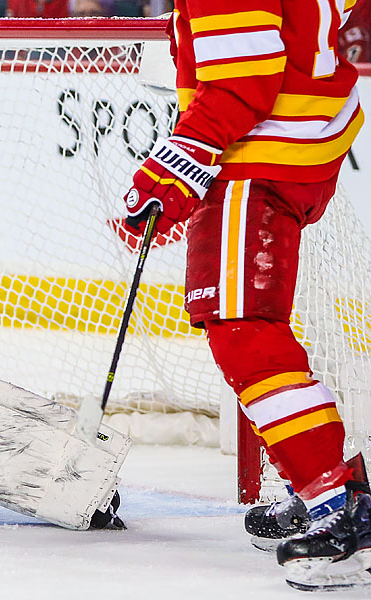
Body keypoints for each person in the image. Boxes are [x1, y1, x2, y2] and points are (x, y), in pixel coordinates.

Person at [121, 0, 368, 590]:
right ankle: (317, 486)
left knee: (243, 328)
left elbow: (243, 81)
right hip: (300, 150)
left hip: (256, 154)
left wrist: (173, 169)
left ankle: (336, 499)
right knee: (252, 325)